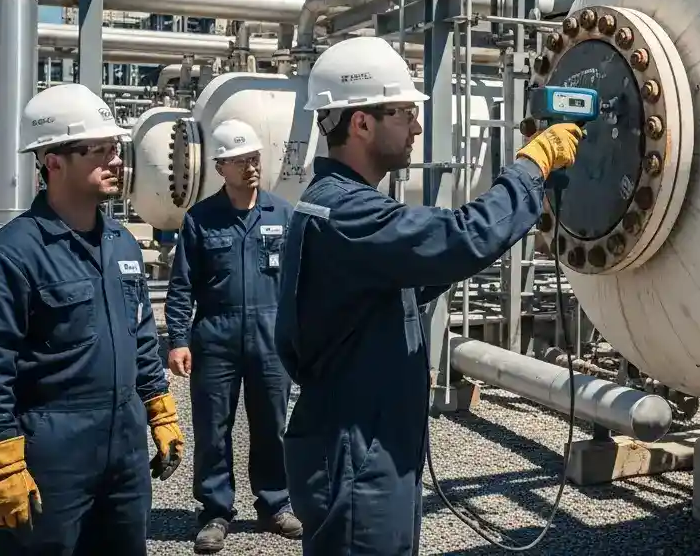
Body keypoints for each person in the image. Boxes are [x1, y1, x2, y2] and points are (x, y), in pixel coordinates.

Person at [274, 36, 584, 555]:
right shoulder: (348, 215)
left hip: (367, 443)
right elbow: (459, 238)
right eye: (404, 113)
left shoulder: (339, 206)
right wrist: (531, 169)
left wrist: (470, 246)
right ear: (362, 123)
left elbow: (414, 273)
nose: (417, 126)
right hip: (358, 454)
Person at [0, 83, 185, 555]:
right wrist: (1, 462)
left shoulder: (121, 245)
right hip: (51, 455)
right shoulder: (9, 258)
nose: (115, 160)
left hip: (124, 449)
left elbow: (139, 336)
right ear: (52, 160)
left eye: (114, 147)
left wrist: (158, 408)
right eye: (97, 150)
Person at [165, 118, 302, 553]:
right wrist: (179, 339)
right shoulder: (201, 220)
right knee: (212, 428)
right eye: (241, 160)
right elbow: (182, 285)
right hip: (216, 336)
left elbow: (302, 282)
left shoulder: (283, 213)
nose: (251, 167)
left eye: (255, 158)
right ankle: (215, 511)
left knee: (272, 426)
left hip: (270, 336)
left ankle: (275, 504)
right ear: (220, 167)